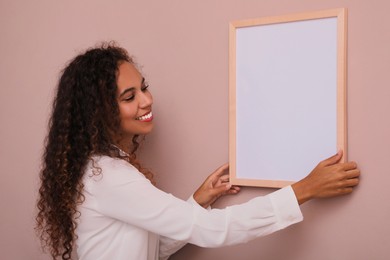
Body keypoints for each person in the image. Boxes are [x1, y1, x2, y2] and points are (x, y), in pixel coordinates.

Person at [36, 43, 360, 260]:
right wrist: (305, 189)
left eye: (144, 87)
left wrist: (199, 200)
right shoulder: (110, 176)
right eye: (129, 96)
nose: (147, 101)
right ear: (99, 111)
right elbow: (214, 231)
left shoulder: (104, 169)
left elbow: (152, 249)